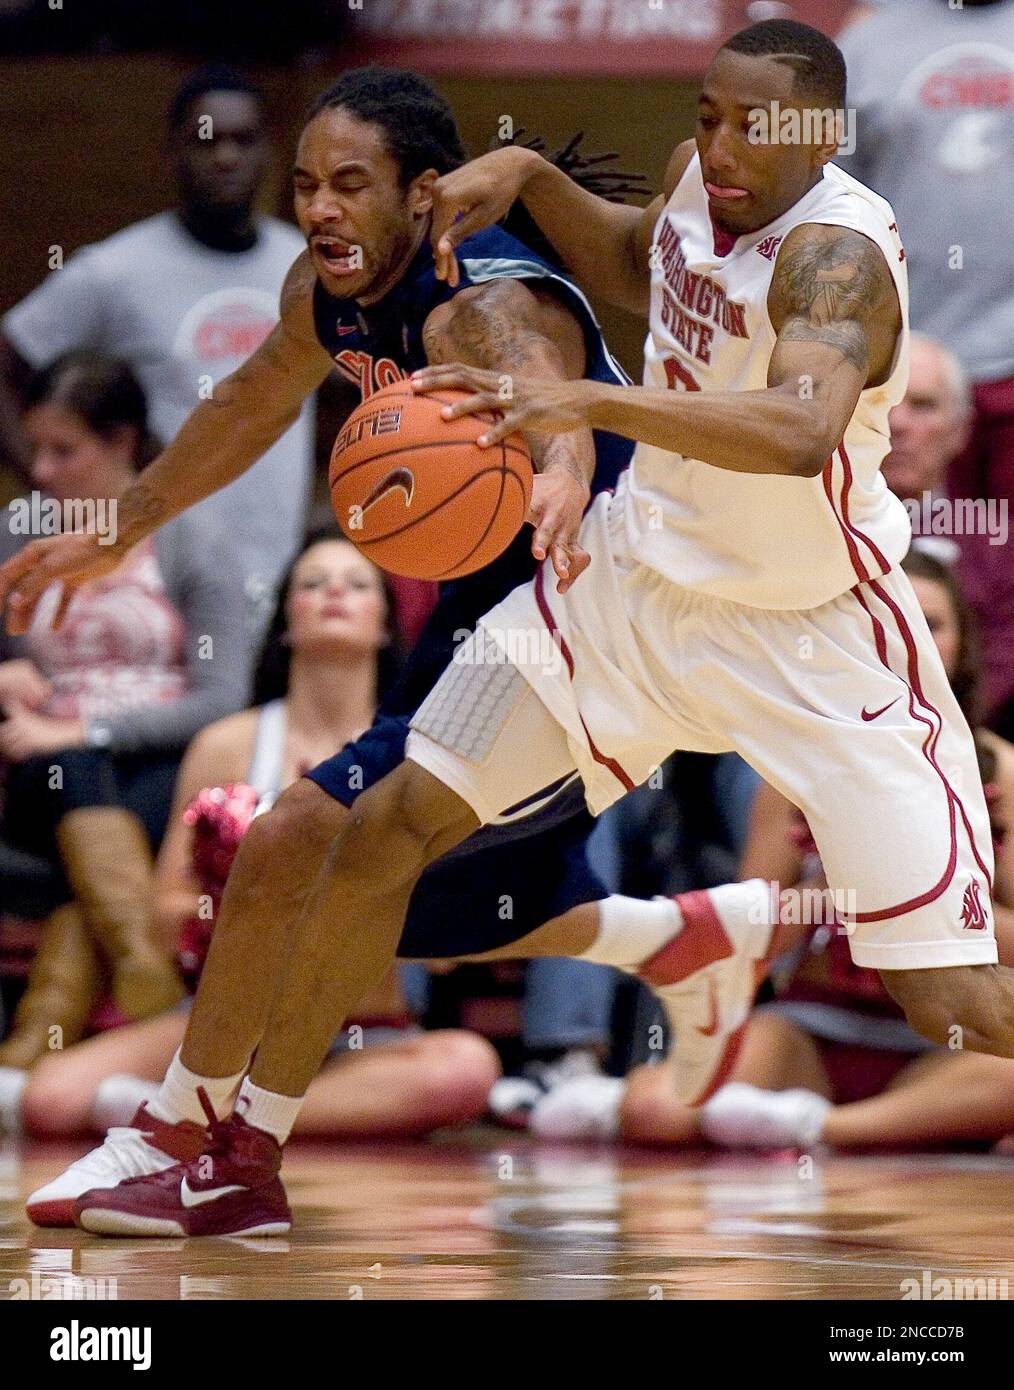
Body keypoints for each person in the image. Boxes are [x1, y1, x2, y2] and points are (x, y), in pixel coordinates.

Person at [17, 19, 1002, 1240]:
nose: (721, 142)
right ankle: (231, 1153)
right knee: (365, 829)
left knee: (949, 994)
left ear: (825, 135)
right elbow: (642, 271)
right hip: (627, 590)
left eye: (754, 124)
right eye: (705, 116)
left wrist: (569, 425)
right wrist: (535, 174)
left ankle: (674, 943)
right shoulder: (705, 185)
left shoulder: (836, 257)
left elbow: (788, 427)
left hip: (811, 636)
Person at [12, 536, 497, 1190]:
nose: (333, 594)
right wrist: (244, 912)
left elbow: (450, 942)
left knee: (466, 1070)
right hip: (222, 1020)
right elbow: (164, 911)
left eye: (356, 585)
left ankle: (207, 1122)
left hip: (363, 1034)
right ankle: (221, 1105)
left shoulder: (420, 757)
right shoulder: (226, 744)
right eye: (312, 582)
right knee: (51, 1098)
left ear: (385, 623)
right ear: (286, 618)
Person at [529, 550, 1014, 1148]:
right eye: (883, 616)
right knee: (655, 1110)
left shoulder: (1001, 771)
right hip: (810, 1029)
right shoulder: (795, 762)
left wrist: (922, 889)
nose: (902, 634)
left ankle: (822, 1128)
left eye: (930, 623)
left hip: (946, 1044)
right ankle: (872, 1130)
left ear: (963, 642)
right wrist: (834, 882)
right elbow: (749, 939)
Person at [0, 353, 249, 1086]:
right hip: (40, 778)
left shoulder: (193, 538)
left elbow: (222, 698)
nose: (41, 469)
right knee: (60, 766)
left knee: (77, 770)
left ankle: (29, 1054)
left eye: (63, 449)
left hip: (160, 771)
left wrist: (89, 731)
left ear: (122, 442)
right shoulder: (20, 531)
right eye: (35, 446)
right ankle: (149, 966)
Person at [0, 64, 315, 614]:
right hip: (156, 571)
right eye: (206, 140)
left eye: (244, 140)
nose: (226, 157)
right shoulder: (113, 271)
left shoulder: (307, 265)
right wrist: (51, 479)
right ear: (171, 151)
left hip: (286, 571)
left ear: (271, 151)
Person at [836, 0, 1014, 730]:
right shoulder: (867, 42)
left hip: (1009, 363)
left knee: (996, 589)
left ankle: (985, 753)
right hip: (899, 371)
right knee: (873, 566)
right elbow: (826, 206)